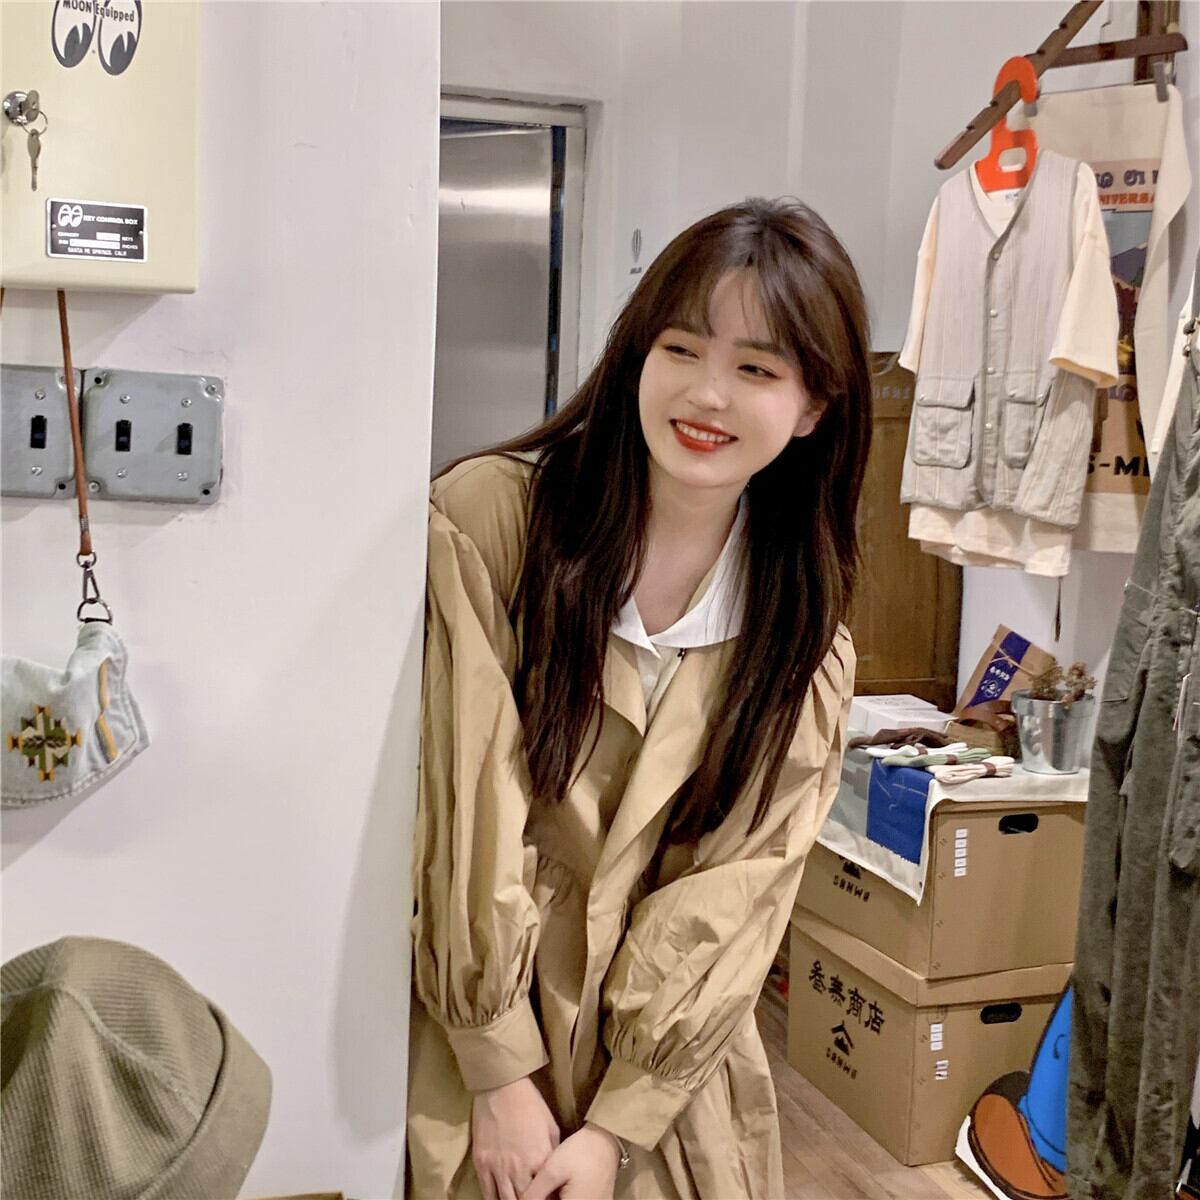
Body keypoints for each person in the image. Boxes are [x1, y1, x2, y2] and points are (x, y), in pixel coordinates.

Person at [407, 198, 872, 1200]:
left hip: (665, 1080)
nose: (707, 394)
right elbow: (461, 798)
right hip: (474, 1042)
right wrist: (499, 1070)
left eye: (757, 369)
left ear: (813, 406)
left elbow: (738, 890)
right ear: (636, 355)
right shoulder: (494, 524)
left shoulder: (800, 640)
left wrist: (618, 1128)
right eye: (682, 349)